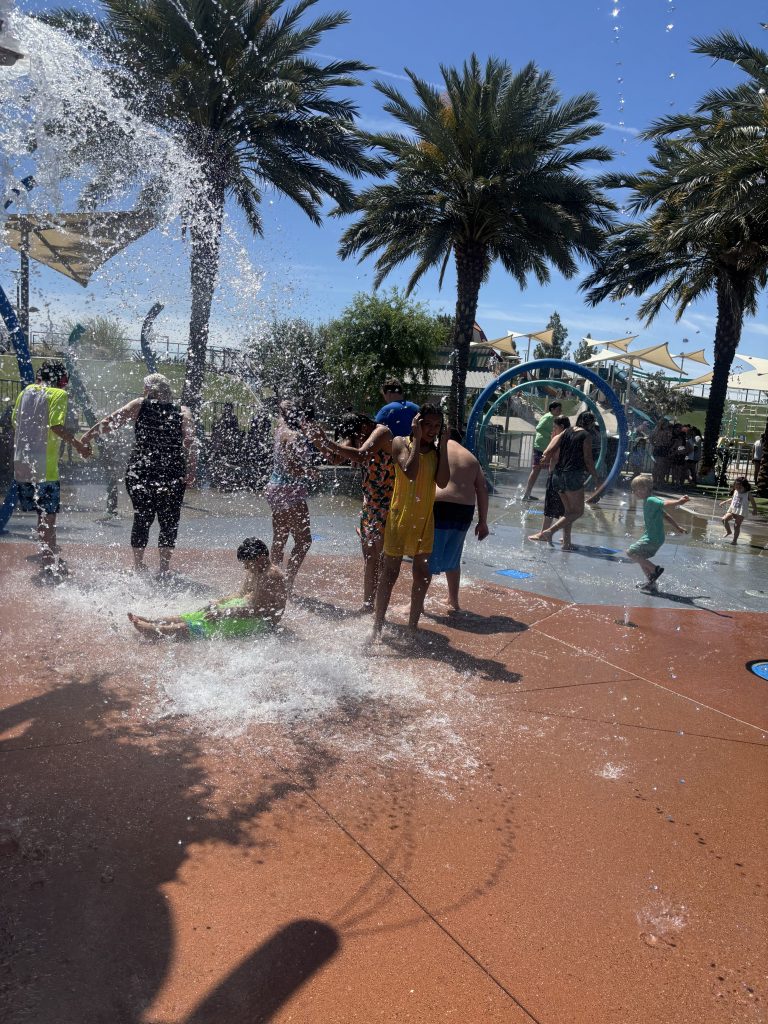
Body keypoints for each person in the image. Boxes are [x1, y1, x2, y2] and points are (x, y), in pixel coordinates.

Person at [81, 373, 196, 575]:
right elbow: (190, 441)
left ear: (148, 390)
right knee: (169, 520)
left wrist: (89, 435)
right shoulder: (182, 411)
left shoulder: (140, 404)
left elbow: (112, 421)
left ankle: (138, 565)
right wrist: (192, 470)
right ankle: (164, 567)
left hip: (141, 471)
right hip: (172, 473)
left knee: (142, 517)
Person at [373, 403, 450, 638]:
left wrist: (444, 445)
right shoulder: (399, 443)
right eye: (428, 425)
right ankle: (377, 625)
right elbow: (410, 471)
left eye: (437, 426)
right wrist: (416, 439)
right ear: (417, 423)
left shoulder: (436, 452)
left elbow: (444, 482)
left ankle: (412, 626)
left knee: (422, 573)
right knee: (390, 572)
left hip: (424, 519)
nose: (432, 430)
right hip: (400, 517)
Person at [305, 412, 394, 611]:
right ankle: (368, 605)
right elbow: (336, 457)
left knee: (382, 558)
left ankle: (380, 607)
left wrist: (328, 441)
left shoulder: (382, 432)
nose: (356, 441)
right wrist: (319, 441)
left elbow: (362, 454)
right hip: (370, 504)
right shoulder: (358, 434)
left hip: (388, 504)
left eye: (357, 437)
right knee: (370, 556)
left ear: (364, 426)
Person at [12, 359, 92, 576]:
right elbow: (56, 426)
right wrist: (78, 446)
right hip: (45, 468)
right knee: (48, 515)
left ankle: (47, 550)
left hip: (21, 464)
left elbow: (15, 421)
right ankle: (49, 562)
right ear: (62, 380)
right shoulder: (59, 395)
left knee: (41, 513)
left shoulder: (26, 391)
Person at [128, 537, 286, 639]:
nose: (245, 567)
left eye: (247, 562)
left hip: (261, 622)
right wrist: (220, 602)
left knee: (205, 623)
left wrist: (225, 613)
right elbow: (241, 594)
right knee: (200, 613)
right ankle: (153, 621)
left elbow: (260, 610)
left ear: (260, 558)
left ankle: (155, 631)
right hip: (244, 609)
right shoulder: (256, 569)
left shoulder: (271, 576)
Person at [427, 427, 489, 613]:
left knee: (426, 556)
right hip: (464, 510)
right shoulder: (471, 457)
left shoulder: (438, 449)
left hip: (440, 506)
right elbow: (482, 489)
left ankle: (416, 604)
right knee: (454, 557)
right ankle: (453, 600)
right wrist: (483, 521)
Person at [263, 400, 317, 594]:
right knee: (304, 541)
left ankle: (270, 581)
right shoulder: (293, 436)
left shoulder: (279, 430)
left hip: (274, 488)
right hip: (289, 491)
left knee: (280, 538)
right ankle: (286, 583)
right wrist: (310, 472)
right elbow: (292, 467)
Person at [527, 411, 600, 547]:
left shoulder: (567, 431)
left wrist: (545, 459)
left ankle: (566, 543)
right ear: (590, 423)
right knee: (578, 511)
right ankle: (549, 531)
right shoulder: (586, 435)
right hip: (572, 477)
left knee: (568, 512)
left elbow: (549, 450)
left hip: (557, 476)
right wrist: (596, 478)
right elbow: (588, 460)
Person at [626, 473, 689, 593]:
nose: (634, 493)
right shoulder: (648, 501)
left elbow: (664, 503)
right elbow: (665, 515)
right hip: (655, 537)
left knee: (630, 552)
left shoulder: (651, 500)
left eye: (636, 490)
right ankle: (651, 582)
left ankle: (655, 570)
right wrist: (677, 527)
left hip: (652, 537)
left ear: (644, 489)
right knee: (641, 558)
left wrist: (679, 502)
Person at [539, 415, 572, 546]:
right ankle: (566, 539)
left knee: (550, 507)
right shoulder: (572, 439)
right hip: (567, 477)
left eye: (555, 427)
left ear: (561, 427)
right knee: (567, 510)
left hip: (555, 476)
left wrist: (552, 440)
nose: (553, 429)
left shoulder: (558, 439)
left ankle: (544, 533)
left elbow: (547, 455)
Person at [522, 401, 562, 500]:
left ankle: (528, 493)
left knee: (542, 469)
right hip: (542, 446)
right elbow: (539, 427)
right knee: (539, 469)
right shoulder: (549, 417)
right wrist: (551, 436)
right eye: (558, 409)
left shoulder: (551, 417)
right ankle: (528, 494)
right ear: (552, 409)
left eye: (560, 409)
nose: (560, 411)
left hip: (543, 446)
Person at [719, 476, 758, 545]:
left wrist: (755, 509)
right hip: (733, 509)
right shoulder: (735, 491)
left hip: (741, 512)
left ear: (745, 486)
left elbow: (753, 502)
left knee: (736, 526)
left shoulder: (747, 493)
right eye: (736, 487)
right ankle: (729, 531)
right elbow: (733, 499)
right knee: (724, 519)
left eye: (740, 487)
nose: (738, 489)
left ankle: (734, 541)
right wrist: (724, 502)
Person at [650, 417, 673, 488]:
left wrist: (654, 444)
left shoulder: (656, 430)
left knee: (657, 466)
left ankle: (656, 481)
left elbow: (650, 437)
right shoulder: (666, 431)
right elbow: (669, 440)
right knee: (660, 466)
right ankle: (658, 481)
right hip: (662, 448)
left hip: (658, 448)